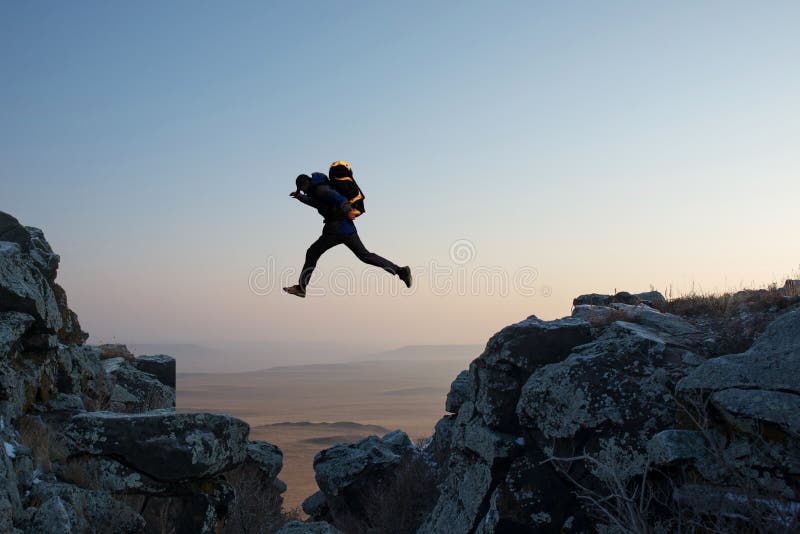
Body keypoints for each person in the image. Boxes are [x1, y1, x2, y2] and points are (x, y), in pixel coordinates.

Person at [283, 168, 412, 298]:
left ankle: (301, 288)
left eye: (302, 189)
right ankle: (401, 271)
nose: (304, 191)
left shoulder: (321, 190)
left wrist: (348, 210)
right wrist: (300, 197)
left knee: (312, 252)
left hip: (335, 229)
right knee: (365, 255)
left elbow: (339, 198)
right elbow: (317, 204)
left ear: (306, 183)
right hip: (347, 228)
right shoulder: (318, 190)